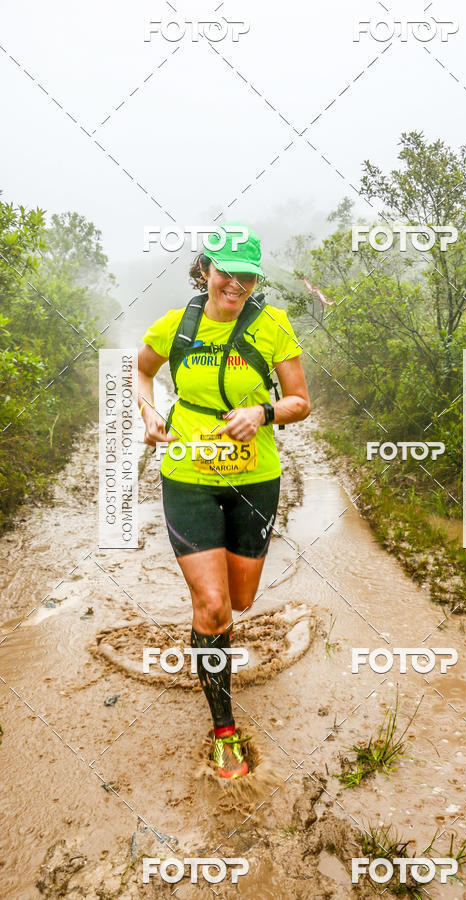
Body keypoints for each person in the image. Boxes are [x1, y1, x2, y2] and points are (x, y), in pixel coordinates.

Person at [137, 222, 310, 778]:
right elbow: (141, 372)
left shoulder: (273, 327)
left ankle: (215, 633)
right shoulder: (177, 325)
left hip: (254, 476)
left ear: (256, 280)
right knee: (212, 607)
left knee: (239, 601)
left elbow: (302, 403)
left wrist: (262, 413)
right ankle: (224, 729)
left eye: (246, 276)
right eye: (225, 272)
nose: (234, 284)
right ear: (205, 270)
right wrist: (148, 411)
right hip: (187, 472)